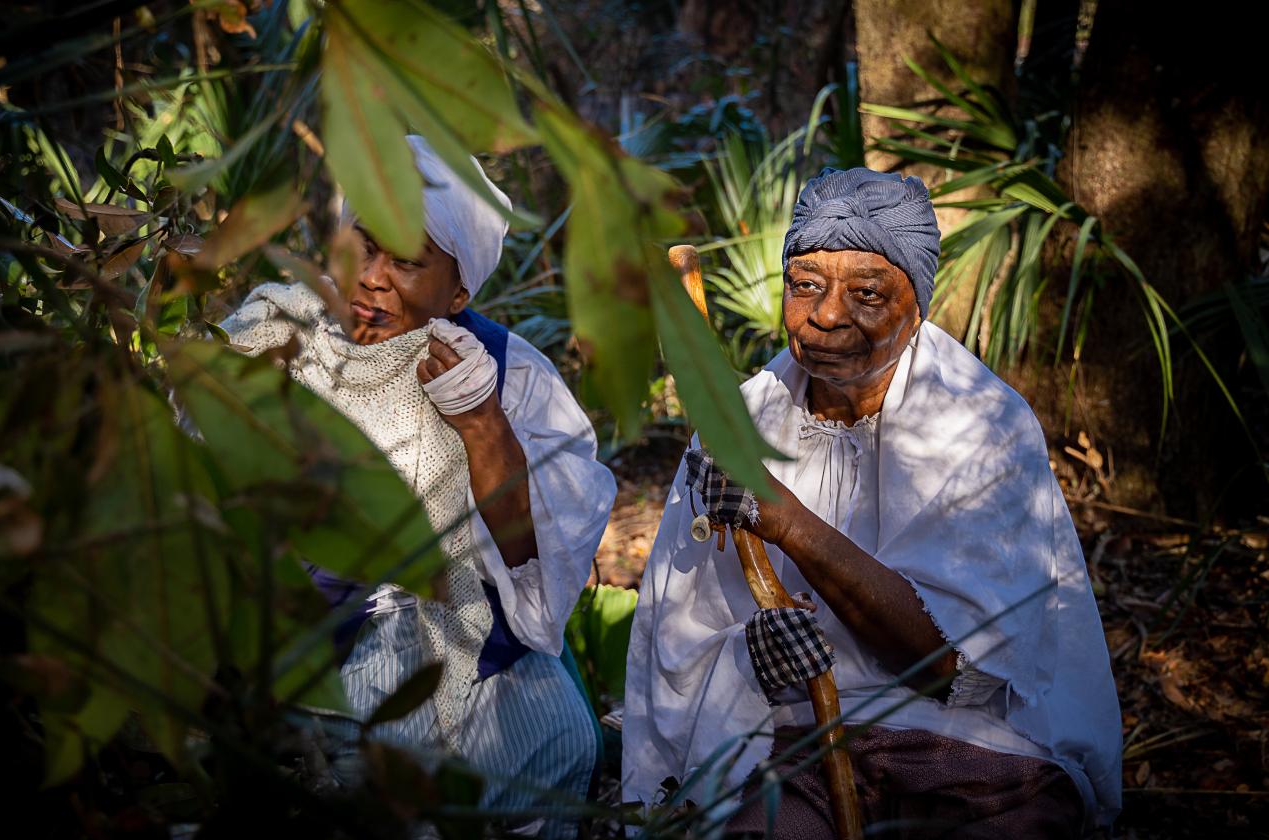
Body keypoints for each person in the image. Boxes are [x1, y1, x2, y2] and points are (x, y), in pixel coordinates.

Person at [622, 167, 1121, 837]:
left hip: (975, 747)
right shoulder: (736, 425)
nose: (827, 314)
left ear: (917, 304)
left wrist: (791, 522)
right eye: (805, 285)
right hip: (794, 744)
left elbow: (950, 667)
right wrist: (753, 655)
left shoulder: (983, 423)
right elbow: (678, 629)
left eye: (866, 291)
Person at [220, 136, 615, 837]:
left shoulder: (504, 375)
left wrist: (484, 429)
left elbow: (540, 561)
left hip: (467, 626)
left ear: (458, 291)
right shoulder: (276, 339)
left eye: (405, 260)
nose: (371, 279)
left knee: (564, 742)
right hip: (307, 637)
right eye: (361, 245)